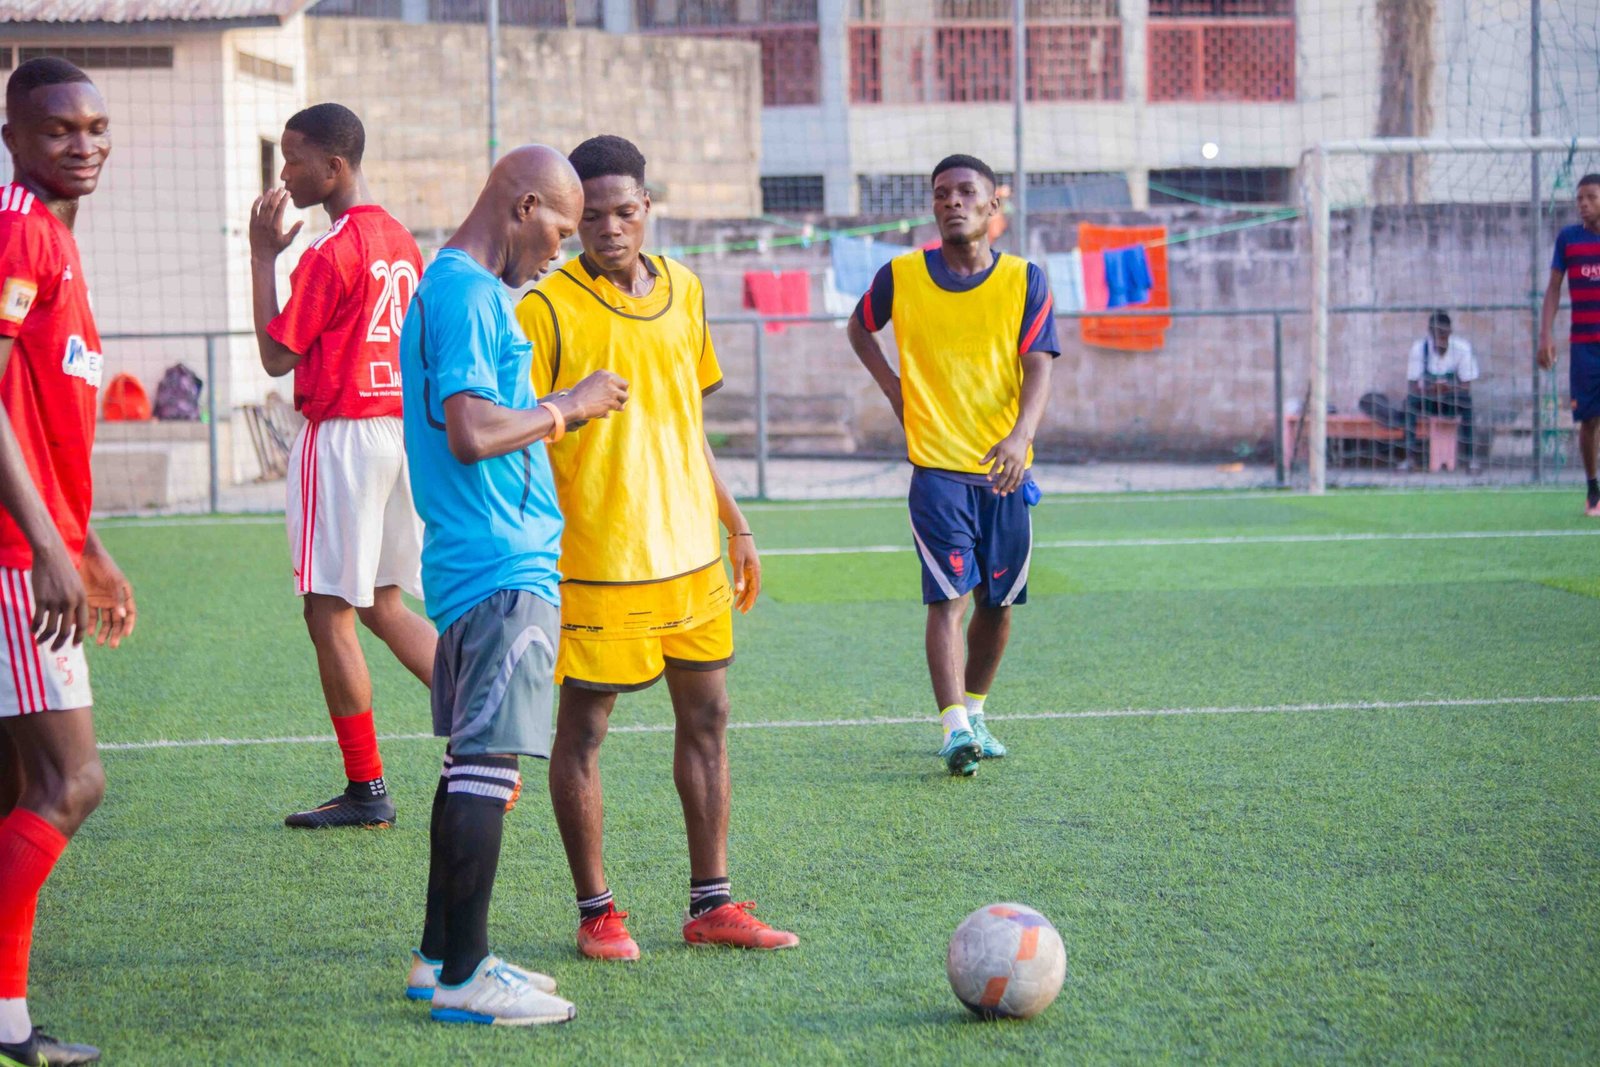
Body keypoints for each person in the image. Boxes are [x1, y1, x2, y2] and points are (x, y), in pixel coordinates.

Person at [515, 136, 798, 960]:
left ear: (647, 207)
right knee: (584, 730)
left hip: (691, 557)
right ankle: (596, 910)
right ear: (573, 218)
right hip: (597, 561)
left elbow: (687, 422)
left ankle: (712, 902)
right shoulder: (545, 308)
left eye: (624, 211)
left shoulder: (686, 289)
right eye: (592, 216)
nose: (609, 228)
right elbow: (520, 433)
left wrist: (736, 523)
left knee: (709, 717)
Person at [399, 144, 628, 1025]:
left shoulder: (465, 290)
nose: (561, 252)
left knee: (468, 762)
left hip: (481, 561)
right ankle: (466, 976)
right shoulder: (465, 292)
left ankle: (438, 959)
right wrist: (567, 405)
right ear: (524, 205)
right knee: (485, 767)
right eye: (561, 231)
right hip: (500, 563)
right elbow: (469, 432)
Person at [0, 56, 137, 1067]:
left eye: (95, 127)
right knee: (71, 779)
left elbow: (40, 419)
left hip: (37, 544)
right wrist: (47, 547)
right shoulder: (19, 230)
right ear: (12, 136)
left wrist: (87, 544)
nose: (82, 145)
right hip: (11, 556)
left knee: (18, 782)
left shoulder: (54, 236)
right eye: (58, 129)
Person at [248, 103, 438, 829]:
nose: (285, 174)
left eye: (293, 160)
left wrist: (262, 257)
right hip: (397, 432)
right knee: (383, 604)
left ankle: (367, 790)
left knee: (326, 612)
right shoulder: (400, 239)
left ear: (333, 167)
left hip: (343, 437)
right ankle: (492, 741)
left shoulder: (331, 251)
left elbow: (276, 356)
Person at [847, 153, 1058, 777]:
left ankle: (978, 712)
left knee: (998, 604)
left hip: (1004, 474)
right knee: (949, 600)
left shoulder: (1025, 279)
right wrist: (894, 390)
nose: (953, 202)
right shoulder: (901, 274)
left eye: (967, 191)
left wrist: (1021, 437)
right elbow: (860, 329)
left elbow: (1039, 365)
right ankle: (954, 728)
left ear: (994, 204)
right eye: (942, 193)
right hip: (937, 470)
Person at [1538, 172, 1600, 515]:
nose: (1583, 204)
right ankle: (1593, 490)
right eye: (1579, 199)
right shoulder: (1568, 239)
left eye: (1591, 197)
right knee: (1589, 420)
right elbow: (1553, 288)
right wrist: (1545, 335)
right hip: (1584, 346)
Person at [1400, 310, 1479, 473]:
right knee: (1410, 402)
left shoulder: (1462, 348)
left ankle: (1471, 459)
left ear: (1450, 332)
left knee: (1467, 403)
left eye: (1443, 334)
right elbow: (1413, 385)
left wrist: (1448, 387)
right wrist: (1431, 389)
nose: (1440, 339)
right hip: (1428, 401)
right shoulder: (1419, 349)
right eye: (1436, 334)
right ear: (1430, 333)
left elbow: (1466, 385)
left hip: (1452, 401)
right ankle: (1409, 458)